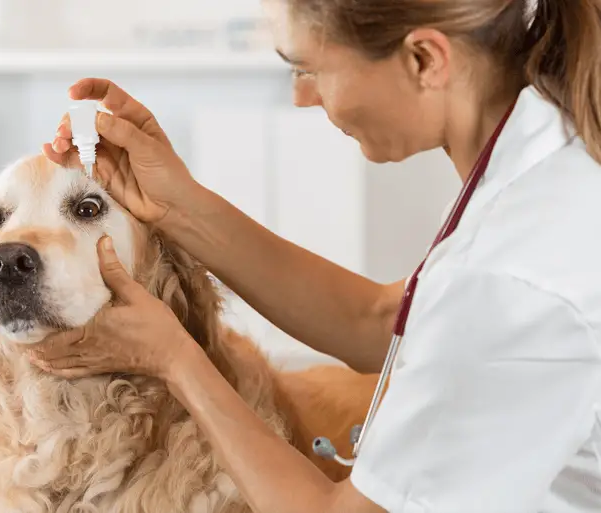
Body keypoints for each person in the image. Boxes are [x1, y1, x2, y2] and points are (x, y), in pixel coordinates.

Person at [35, 0, 601, 511]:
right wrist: (177, 205)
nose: (302, 97)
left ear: (425, 60)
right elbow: (381, 321)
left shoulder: (513, 276)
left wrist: (175, 359)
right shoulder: (550, 155)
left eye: (308, 69)